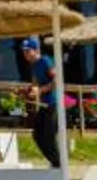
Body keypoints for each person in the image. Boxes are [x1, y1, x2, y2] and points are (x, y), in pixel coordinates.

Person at [16, 36, 64, 170]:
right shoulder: (34, 65)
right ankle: (55, 162)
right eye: (24, 52)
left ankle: (59, 164)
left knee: (48, 136)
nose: (25, 54)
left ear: (36, 50)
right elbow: (35, 85)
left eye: (28, 51)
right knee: (37, 135)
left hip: (54, 104)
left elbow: (57, 80)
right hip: (44, 105)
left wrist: (40, 90)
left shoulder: (45, 61)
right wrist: (27, 92)